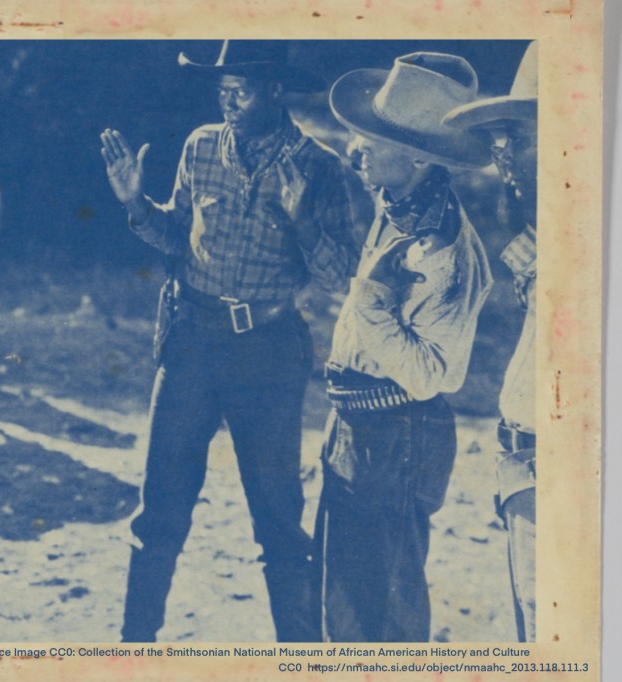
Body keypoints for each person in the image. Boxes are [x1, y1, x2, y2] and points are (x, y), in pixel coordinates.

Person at [100, 40, 360, 642]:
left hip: (267, 354)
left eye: (241, 83)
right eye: (222, 84)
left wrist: (302, 220)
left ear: (274, 89)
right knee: (158, 516)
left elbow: (342, 278)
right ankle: (132, 651)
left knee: (278, 525)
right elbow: (176, 237)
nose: (227, 94)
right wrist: (134, 202)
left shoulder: (318, 166)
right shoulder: (200, 145)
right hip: (191, 344)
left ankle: (299, 659)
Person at [316, 52, 494, 641]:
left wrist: (369, 300)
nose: (354, 149)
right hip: (363, 429)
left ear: (419, 157)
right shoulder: (403, 203)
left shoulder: (440, 249)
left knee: (385, 619)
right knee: (345, 610)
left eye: (371, 140)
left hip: (397, 437)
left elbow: (427, 375)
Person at [445, 42, 538, 642]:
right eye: (498, 135)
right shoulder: (540, 235)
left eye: (518, 135)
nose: (500, 149)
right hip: (526, 475)